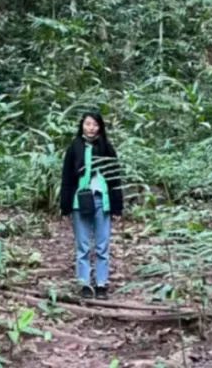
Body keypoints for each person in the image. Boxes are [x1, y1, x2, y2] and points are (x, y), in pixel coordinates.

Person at [59, 110, 123, 299]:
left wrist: (117, 206)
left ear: (100, 127)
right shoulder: (74, 147)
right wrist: (66, 206)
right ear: (82, 125)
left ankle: (102, 284)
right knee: (83, 246)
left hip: (101, 200)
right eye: (88, 124)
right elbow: (67, 177)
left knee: (103, 245)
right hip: (80, 200)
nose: (91, 128)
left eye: (95, 124)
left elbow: (114, 177)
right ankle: (84, 284)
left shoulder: (107, 147)